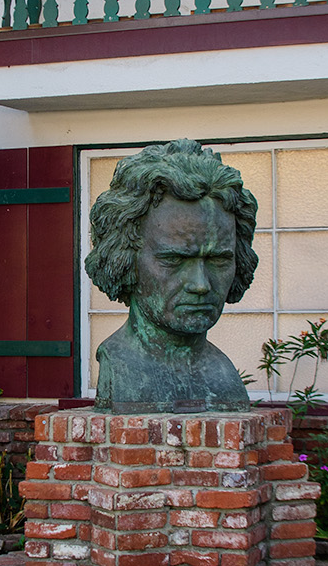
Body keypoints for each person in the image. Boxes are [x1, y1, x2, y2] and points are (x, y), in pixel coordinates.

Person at [85, 139, 258, 411]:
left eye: (217, 260)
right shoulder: (122, 368)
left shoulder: (224, 376)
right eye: (174, 259)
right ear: (124, 259)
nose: (201, 285)